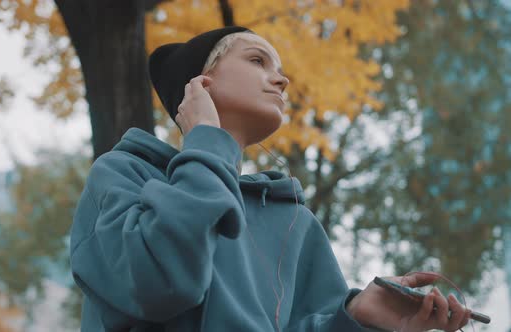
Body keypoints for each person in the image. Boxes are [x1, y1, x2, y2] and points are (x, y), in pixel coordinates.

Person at [69, 26, 472, 332]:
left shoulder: (295, 221)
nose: (281, 80)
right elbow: (158, 282)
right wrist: (207, 143)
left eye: (279, 70)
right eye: (258, 61)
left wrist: (354, 318)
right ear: (200, 84)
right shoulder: (125, 174)